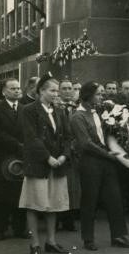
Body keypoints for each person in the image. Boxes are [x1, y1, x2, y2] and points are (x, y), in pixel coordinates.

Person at [70, 81, 129, 251]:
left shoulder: (98, 111)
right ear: (88, 95)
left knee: (115, 199)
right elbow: (85, 143)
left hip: (106, 161)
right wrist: (108, 154)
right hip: (90, 162)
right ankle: (88, 239)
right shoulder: (77, 116)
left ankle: (119, 236)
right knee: (90, 201)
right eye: (98, 94)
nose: (101, 97)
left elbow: (106, 133)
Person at [19, 75, 72, 254]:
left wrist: (64, 156)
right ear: (41, 90)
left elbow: (67, 137)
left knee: (53, 205)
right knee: (34, 204)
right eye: (52, 90)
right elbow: (31, 137)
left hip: (57, 165)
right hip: (39, 165)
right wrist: (47, 157)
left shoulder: (59, 110)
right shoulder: (28, 110)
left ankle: (51, 241)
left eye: (57, 90)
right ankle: (34, 244)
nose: (56, 94)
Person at [0, 78, 29, 240]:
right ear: (4, 92)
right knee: (1, 195)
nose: (17, 91)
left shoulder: (26, 109)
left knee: (20, 193)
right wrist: (17, 144)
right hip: (2, 156)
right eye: (13, 89)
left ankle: (20, 228)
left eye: (18, 88)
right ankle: (0, 229)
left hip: (22, 156)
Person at [57, 79, 80, 232]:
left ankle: (69, 220)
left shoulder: (77, 108)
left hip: (75, 152)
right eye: (63, 88)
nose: (67, 91)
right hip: (59, 152)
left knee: (73, 188)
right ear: (59, 91)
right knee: (59, 187)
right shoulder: (55, 107)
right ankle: (58, 220)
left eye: (69, 88)